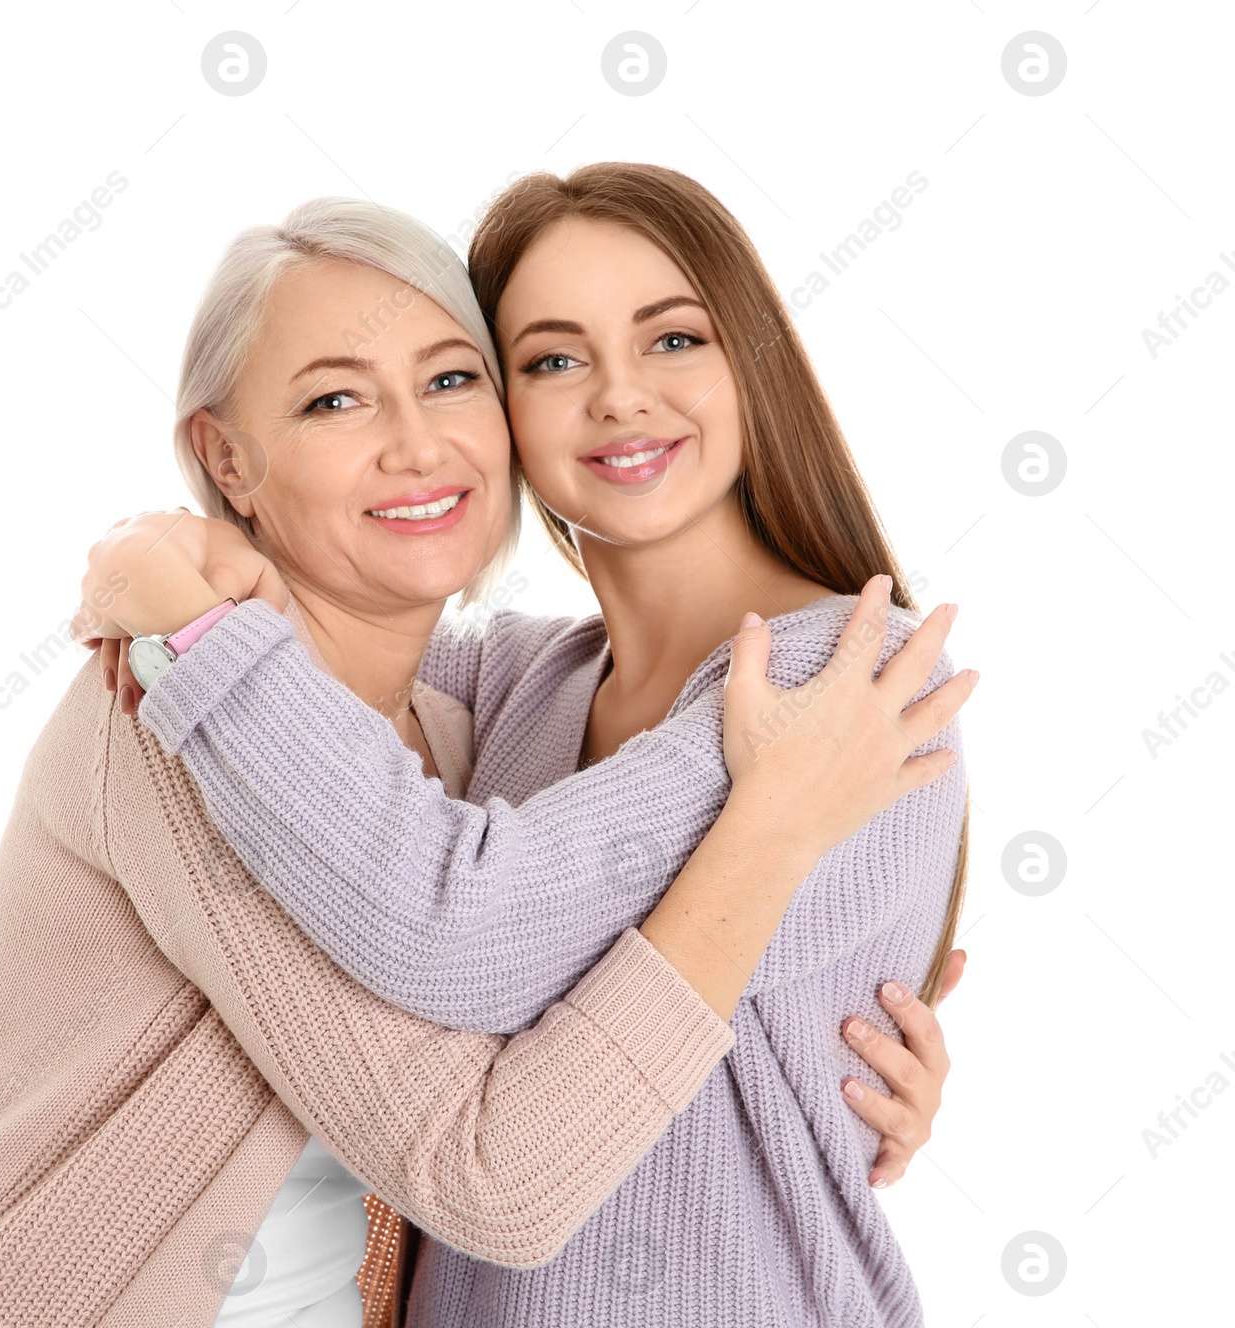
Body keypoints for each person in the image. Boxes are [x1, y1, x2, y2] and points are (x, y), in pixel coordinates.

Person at [76, 169, 974, 1327]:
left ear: (753, 361)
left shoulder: (849, 675)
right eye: (551, 360)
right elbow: (336, 659)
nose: (619, 396)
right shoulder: (519, 682)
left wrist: (195, 631)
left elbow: (455, 930)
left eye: (674, 339)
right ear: (501, 415)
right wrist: (157, 546)